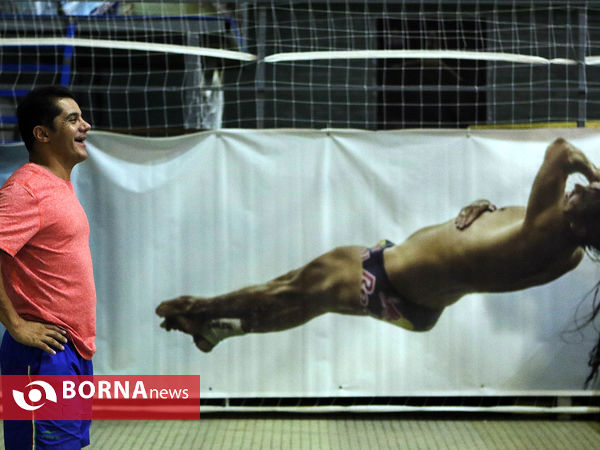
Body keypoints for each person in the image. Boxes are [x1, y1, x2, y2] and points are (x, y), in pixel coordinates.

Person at [156, 138, 600, 386]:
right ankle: (220, 329)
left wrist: (596, 175)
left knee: (292, 292)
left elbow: (562, 151)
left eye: (585, 196)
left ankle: (198, 312)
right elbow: (500, 248)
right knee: (297, 290)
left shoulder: (550, 230)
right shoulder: (567, 251)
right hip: (418, 302)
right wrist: (489, 209)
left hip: (392, 276)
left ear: (584, 227)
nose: (575, 190)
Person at [0, 86, 95, 449]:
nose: (85, 125)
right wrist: (17, 325)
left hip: (71, 348)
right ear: (42, 134)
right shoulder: (25, 190)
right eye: (72, 119)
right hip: (42, 354)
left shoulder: (57, 187)